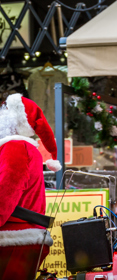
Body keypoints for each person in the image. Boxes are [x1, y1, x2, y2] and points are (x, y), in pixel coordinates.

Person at [0, 94, 62, 280]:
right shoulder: (19, 147)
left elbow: (6, 193)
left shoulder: (16, 147)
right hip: (20, 237)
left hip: (14, 238)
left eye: (5, 110)